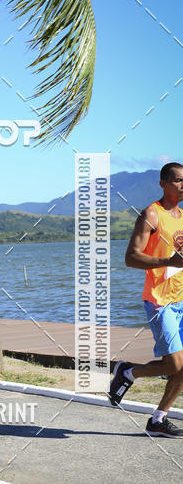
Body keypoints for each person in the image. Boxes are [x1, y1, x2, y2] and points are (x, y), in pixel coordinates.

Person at [108, 162, 183, 436]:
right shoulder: (152, 214)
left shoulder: (182, 216)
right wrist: (167, 261)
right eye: (177, 180)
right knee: (174, 364)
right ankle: (128, 372)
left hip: (182, 298)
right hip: (159, 301)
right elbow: (131, 257)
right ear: (163, 183)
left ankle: (158, 419)